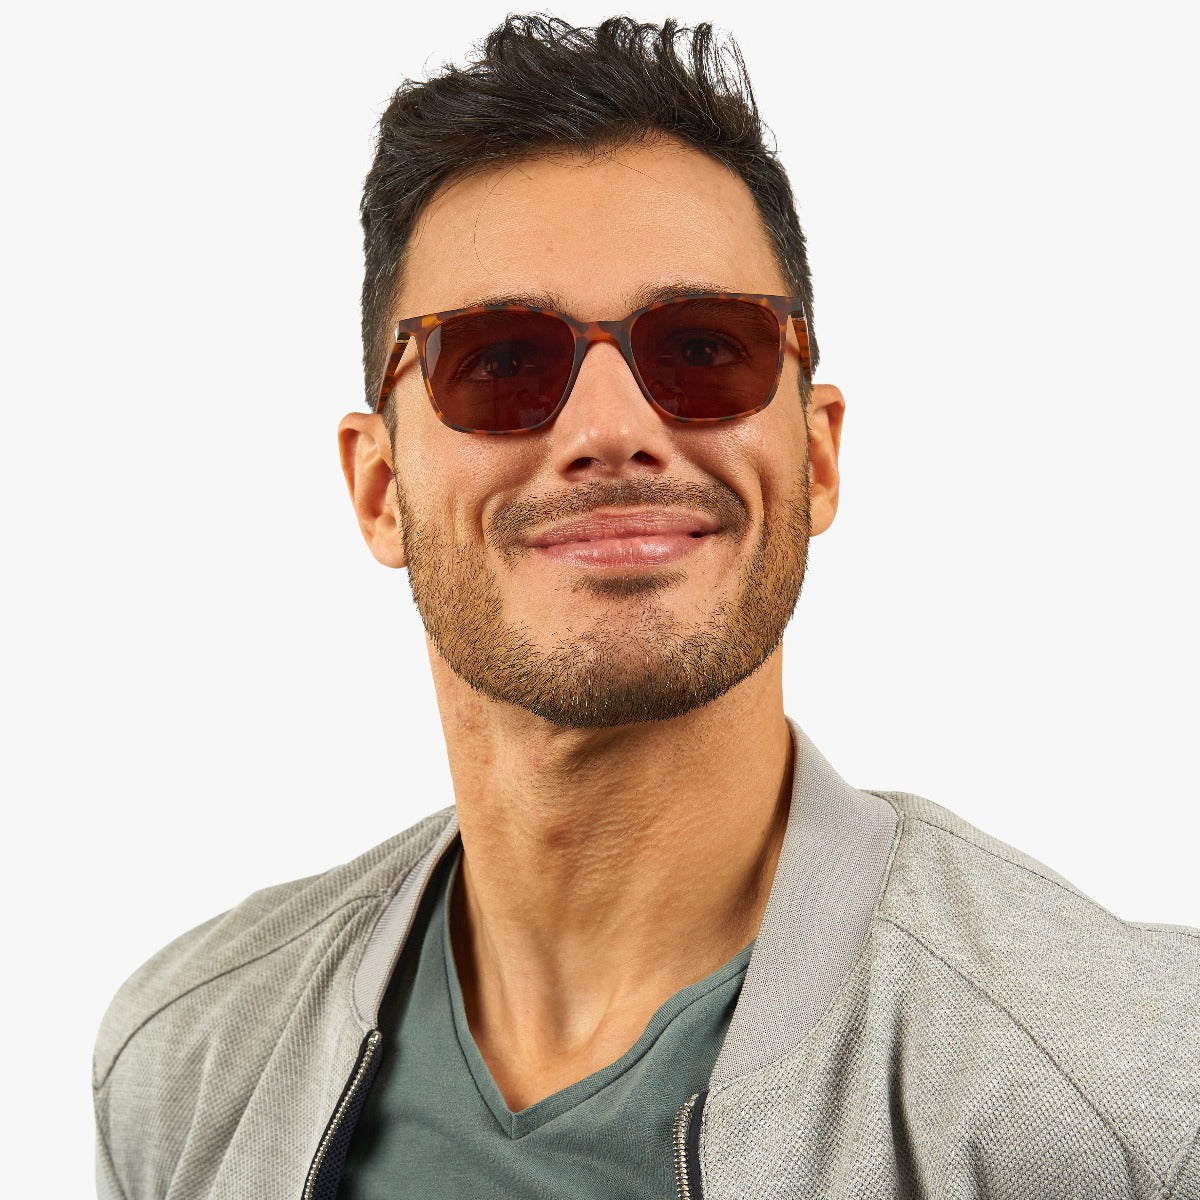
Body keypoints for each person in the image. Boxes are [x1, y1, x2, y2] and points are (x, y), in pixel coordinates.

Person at [93, 15, 1200, 1200]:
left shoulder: (1131, 1104)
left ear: (818, 457)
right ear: (379, 490)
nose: (613, 429)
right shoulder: (188, 1066)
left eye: (704, 349)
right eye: (500, 361)